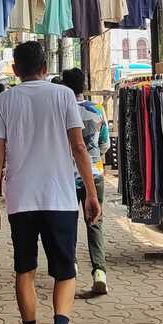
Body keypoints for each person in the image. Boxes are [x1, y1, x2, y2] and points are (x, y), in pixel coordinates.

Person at [0, 41, 101, 324]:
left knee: (25, 270)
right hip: (61, 198)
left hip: (22, 200)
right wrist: (91, 193)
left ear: (16, 70)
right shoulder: (64, 95)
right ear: (45, 65)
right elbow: (79, 146)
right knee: (64, 272)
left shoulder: (3, 101)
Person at [61, 68, 110, 295]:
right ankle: (99, 272)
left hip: (67, 176)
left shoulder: (62, 111)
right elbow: (104, 145)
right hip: (95, 174)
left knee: (68, 222)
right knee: (95, 223)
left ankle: (70, 268)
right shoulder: (97, 110)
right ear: (84, 85)